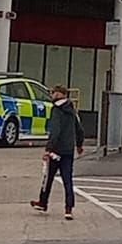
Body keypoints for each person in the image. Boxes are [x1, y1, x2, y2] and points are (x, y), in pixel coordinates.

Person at [30, 86, 84, 219]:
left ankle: (43, 202)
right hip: (68, 150)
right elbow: (79, 128)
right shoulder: (72, 109)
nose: (52, 94)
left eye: (54, 92)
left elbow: (55, 131)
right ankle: (68, 209)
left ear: (61, 94)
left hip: (56, 150)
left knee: (48, 177)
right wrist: (79, 144)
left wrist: (48, 149)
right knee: (67, 180)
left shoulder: (56, 110)